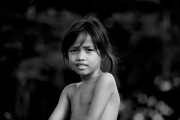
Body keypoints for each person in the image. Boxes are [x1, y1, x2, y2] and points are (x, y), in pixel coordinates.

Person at [49, 15, 120, 120]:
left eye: (89, 50)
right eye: (74, 50)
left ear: (103, 54)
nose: (80, 57)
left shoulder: (105, 79)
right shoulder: (69, 91)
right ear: (67, 56)